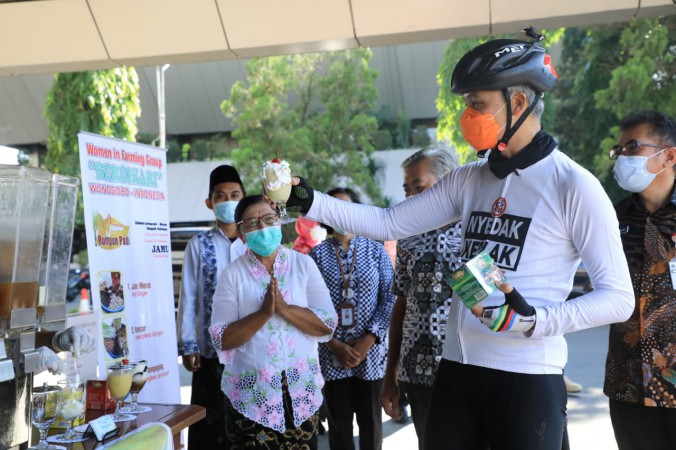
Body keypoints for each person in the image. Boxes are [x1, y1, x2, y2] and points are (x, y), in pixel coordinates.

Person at [280, 28, 634, 450]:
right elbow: (390, 222)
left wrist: (535, 321)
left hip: (527, 376)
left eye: (477, 104)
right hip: (456, 369)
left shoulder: (573, 185)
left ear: (518, 102)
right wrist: (305, 199)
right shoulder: (469, 178)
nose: (467, 115)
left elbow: (618, 298)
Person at [208, 195, 337, 449]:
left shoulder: (303, 265)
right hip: (251, 399)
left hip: (301, 394)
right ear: (242, 234)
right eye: (253, 223)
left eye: (269, 219)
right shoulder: (232, 275)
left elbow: (327, 324)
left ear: (280, 223)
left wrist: (286, 310)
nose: (263, 228)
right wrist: (263, 314)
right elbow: (221, 338)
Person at [380, 146, 462, 450]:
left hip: (466, 367)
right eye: (407, 188)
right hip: (418, 371)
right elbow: (401, 304)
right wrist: (391, 375)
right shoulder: (408, 236)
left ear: (448, 182)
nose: (412, 195)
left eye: (420, 186)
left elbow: (487, 299)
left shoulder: (474, 230)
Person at [604, 111, 676, 450]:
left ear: (670, 156)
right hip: (628, 385)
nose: (623, 158)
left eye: (633, 147)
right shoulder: (611, 219)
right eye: (619, 151)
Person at [309, 187, 395, 450]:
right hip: (332, 353)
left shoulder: (375, 250)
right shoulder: (316, 256)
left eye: (346, 208)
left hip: (371, 352)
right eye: (333, 208)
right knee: (339, 426)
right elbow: (308, 306)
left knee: (371, 424)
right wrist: (333, 343)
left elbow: (390, 297)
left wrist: (369, 339)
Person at [176, 164, 246, 449]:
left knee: (246, 426)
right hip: (210, 352)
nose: (228, 201)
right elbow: (189, 296)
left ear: (244, 198)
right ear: (210, 203)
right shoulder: (199, 244)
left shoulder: (254, 242)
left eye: (234, 194)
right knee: (209, 427)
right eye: (220, 196)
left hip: (251, 352)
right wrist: (188, 344)